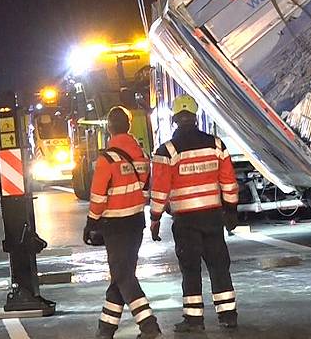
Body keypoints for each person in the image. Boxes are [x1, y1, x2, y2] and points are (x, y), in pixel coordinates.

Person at [150, 95, 239, 332]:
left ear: (174, 119)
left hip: (185, 220)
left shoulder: (167, 151)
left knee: (190, 269)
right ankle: (228, 316)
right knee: (219, 266)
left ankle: (194, 319)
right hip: (213, 217)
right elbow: (229, 183)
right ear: (196, 117)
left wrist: (155, 219)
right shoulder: (216, 145)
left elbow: (160, 190)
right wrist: (231, 211)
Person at [83, 106, 162, 339]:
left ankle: (149, 326)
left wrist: (91, 223)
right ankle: (106, 329)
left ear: (109, 128)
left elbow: (98, 197)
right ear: (128, 127)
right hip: (136, 223)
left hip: (115, 226)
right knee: (122, 274)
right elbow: (145, 188)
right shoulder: (142, 156)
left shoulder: (107, 159)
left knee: (124, 276)